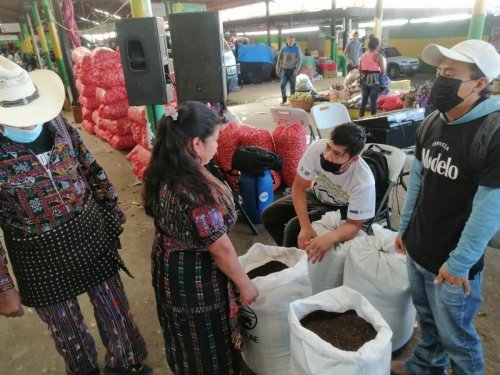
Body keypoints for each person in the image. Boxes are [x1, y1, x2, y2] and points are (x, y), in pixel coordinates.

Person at [0, 57, 152, 375]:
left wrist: (112, 212)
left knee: (115, 308)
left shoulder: (59, 126)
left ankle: (126, 364)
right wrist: (4, 287)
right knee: (67, 330)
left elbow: (91, 169)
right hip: (36, 255)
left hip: (87, 232)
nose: (29, 121)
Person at [391, 39, 500, 375]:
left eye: (451, 73)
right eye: (439, 71)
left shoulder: (492, 133)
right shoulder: (432, 122)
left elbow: (489, 208)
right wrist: (405, 228)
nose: (440, 80)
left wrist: (460, 264)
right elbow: (419, 181)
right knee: (429, 322)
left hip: (453, 265)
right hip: (420, 246)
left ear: (480, 83)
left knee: (459, 339)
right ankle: (425, 367)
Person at [142, 101, 259, 374]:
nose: (217, 146)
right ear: (196, 144)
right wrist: (244, 284)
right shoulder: (194, 191)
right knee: (208, 343)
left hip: (168, 268)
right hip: (195, 279)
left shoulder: (163, 168)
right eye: (215, 140)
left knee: (182, 337)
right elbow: (220, 247)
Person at [261, 123, 375, 262]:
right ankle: (294, 258)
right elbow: (299, 188)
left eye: (337, 154)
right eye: (329, 147)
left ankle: (295, 268)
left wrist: (329, 237)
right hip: (316, 194)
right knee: (269, 216)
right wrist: (306, 226)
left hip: (341, 206)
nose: (327, 156)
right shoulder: (317, 148)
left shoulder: (363, 181)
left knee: (293, 227)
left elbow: (354, 225)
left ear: (353, 159)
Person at [358, 35, 385, 117]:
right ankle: (373, 120)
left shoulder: (363, 56)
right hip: (374, 81)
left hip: (364, 80)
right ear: (377, 46)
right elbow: (383, 71)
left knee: (364, 101)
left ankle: (360, 119)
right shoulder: (378, 56)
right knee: (373, 102)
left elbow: (359, 69)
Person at [276, 35, 302, 105]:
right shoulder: (283, 48)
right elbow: (278, 60)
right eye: (290, 40)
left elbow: (300, 60)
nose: (291, 42)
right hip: (284, 70)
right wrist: (277, 70)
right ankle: (284, 99)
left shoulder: (297, 49)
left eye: (292, 41)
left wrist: (297, 70)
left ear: (294, 41)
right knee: (282, 85)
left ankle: (292, 100)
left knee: (292, 87)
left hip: (293, 70)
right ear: (287, 40)